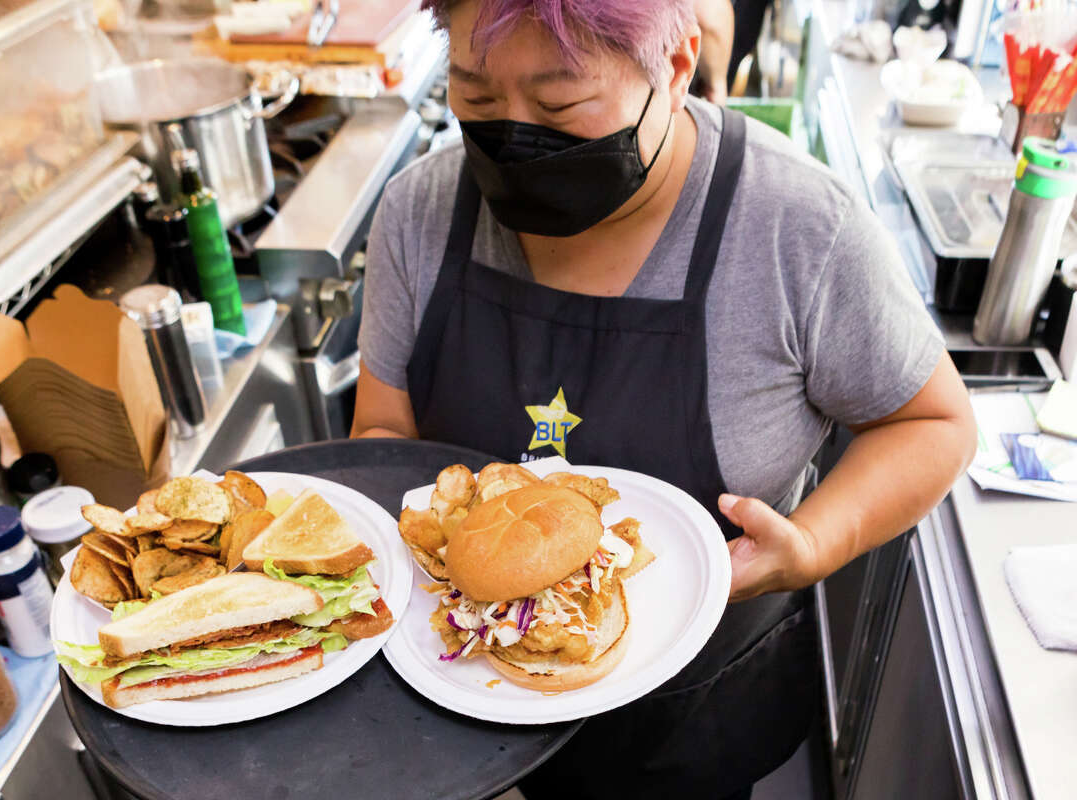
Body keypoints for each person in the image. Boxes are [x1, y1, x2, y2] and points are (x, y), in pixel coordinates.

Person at [352, 1, 977, 797]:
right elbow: (381, 431)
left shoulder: (797, 228)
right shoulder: (418, 212)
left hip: (692, 717)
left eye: (560, 104)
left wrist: (813, 544)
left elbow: (933, 423)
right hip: (461, 703)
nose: (513, 134)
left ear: (677, 67)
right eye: (475, 98)